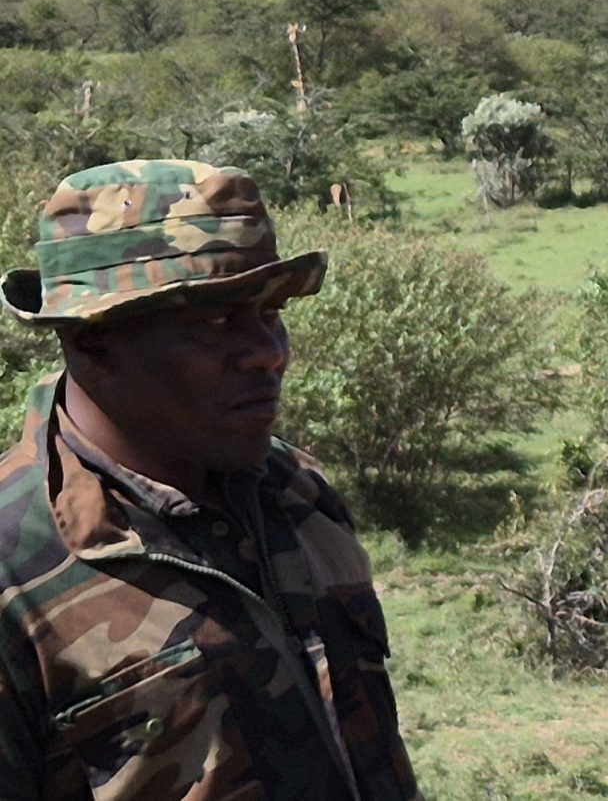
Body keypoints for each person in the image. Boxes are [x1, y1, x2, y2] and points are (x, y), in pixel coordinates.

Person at [0, 160, 417, 800]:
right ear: (92, 341)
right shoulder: (16, 572)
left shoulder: (294, 491)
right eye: (213, 322)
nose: (269, 351)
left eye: (270, 310)